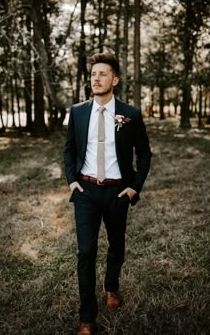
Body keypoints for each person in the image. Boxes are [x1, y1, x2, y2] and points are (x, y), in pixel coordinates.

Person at [63, 52, 152, 335]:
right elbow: (69, 150)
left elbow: (145, 154)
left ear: (114, 79)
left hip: (117, 192)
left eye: (103, 74)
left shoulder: (130, 114)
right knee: (86, 252)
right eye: (93, 74)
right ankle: (87, 317)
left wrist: (133, 187)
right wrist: (71, 181)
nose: (96, 78)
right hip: (86, 191)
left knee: (116, 246)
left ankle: (111, 286)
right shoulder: (77, 112)